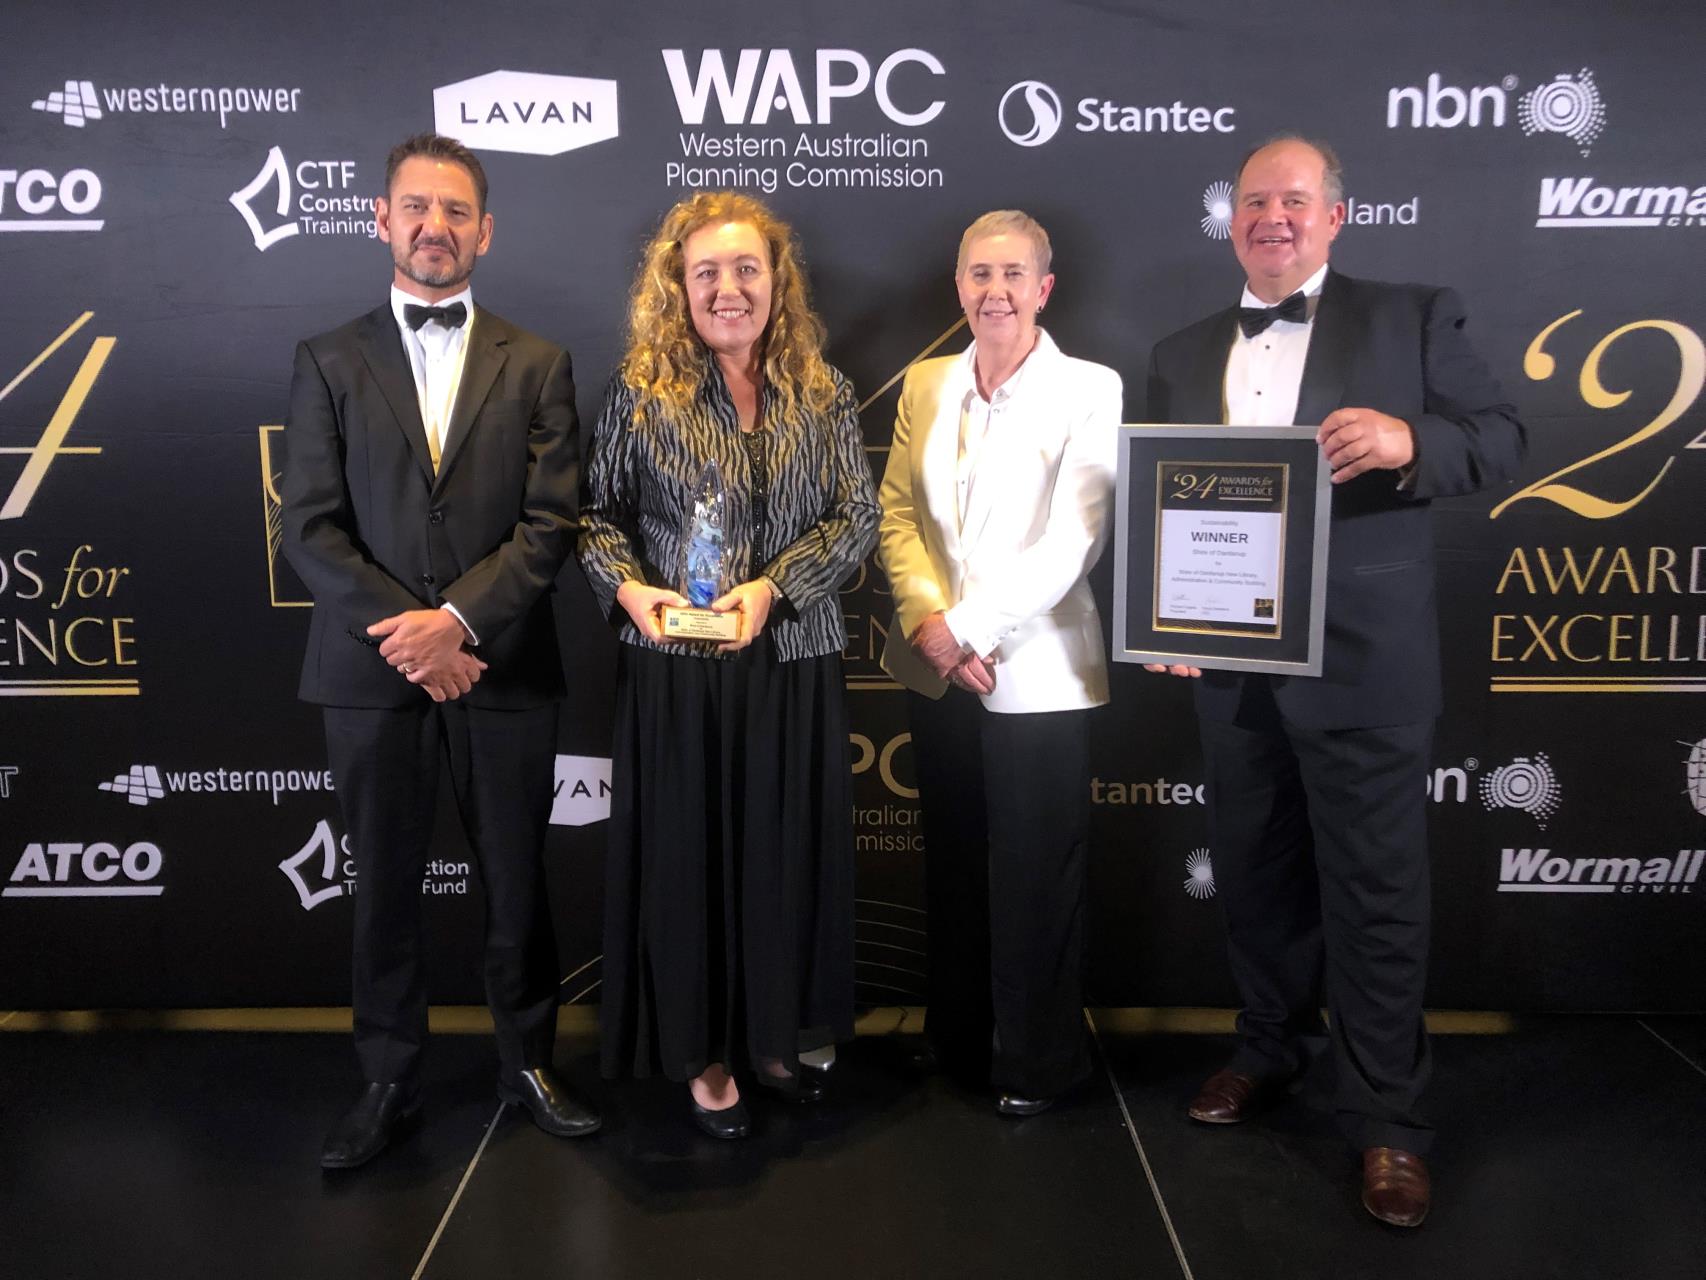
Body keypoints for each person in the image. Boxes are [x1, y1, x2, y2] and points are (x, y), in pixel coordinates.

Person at [1145, 135, 1526, 1226]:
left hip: (1363, 666)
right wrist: (1159, 615)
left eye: (1294, 200)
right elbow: (1155, 502)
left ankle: (1388, 1123)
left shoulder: (1410, 313)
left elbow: (1500, 437)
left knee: (1374, 896)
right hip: (1228, 667)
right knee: (1256, 880)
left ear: (1334, 217)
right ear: (1231, 219)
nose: (1272, 215)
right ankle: (1267, 1051)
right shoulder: (1176, 350)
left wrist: (1410, 437)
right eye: (1255, 199)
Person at [282, 132, 598, 1170]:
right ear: (381, 219)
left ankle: (528, 1062)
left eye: (456, 210)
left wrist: (458, 625)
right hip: (369, 675)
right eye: (415, 206)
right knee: (384, 884)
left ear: (485, 231)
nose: (434, 226)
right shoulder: (327, 358)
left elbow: (552, 525)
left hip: (501, 665)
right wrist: (417, 639)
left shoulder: (540, 363)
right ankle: (387, 1076)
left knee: (517, 877)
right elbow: (311, 528)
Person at [578, 191, 878, 1140]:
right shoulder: (640, 388)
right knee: (689, 862)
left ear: (777, 280)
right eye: (705, 271)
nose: (728, 287)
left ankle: (773, 1034)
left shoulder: (820, 388)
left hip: (789, 662)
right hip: (677, 673)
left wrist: (772, 590)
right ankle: (704, 1055)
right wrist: (634, 595)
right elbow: (594, 520)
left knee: (783, 855)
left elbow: (856, 519)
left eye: (746, 268)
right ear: (678, 285)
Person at [876, 210, 1121, 1117]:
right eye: (980, 274)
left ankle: (1039, 1062)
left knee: (1034, 877)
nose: (996, 292)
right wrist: (928, 621)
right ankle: (957, 1036)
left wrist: (971, 628)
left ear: (1045, 288)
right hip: (938, 666)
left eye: (1014, 275)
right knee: (954, 864)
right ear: (958, 285)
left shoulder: (1092, 388)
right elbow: (896, 515)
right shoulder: (927, 381)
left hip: (1039, 674)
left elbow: (1076, 542)